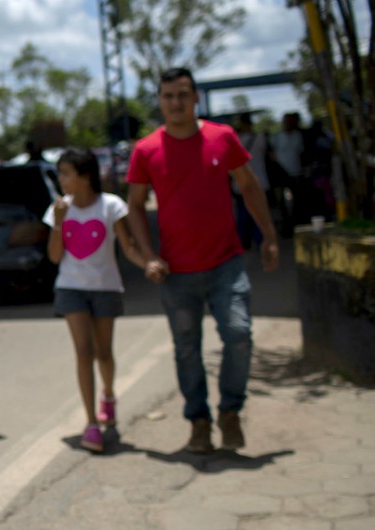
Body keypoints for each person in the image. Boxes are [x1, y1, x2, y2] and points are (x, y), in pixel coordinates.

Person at [126, 68, 279, 454]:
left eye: (182, 95)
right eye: (167, 96)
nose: (175, 103)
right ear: (159, 101)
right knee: (187, 349)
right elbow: (135, 209)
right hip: (176, 273)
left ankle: (230, 411)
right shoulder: (146, 150)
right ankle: (198, 420)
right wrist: (149, 257)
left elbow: (247, 186)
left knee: (239, 336)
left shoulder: (221, 137)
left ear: (196, 98)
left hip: (226, 263)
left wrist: (269, 236)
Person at [44, 148, 147, 452]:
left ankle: (109, 395)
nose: (61, 179)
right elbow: (54, 256)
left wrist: (148, 264)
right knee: (83, 352)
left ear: (85, 176)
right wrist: (60, 222)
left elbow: (127, 248)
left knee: (104, 353)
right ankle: (91, 422)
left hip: (106, 288)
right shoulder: (58, 209)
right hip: (71, 288)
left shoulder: (111, 205)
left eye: (65, 173)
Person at [233, 113, 271, 249]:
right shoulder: (260, 139)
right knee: (260, 213)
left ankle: (243, 241)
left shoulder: (235, 139)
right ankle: (261, 240)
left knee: (243, 214)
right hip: (261, 181)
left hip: (240, 184)